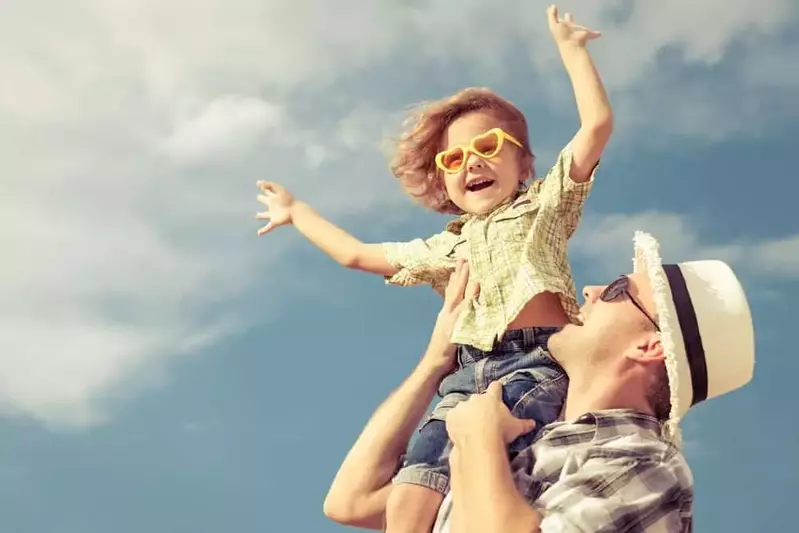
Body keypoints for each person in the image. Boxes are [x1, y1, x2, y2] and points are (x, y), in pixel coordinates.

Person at [256, 6, 612, 532]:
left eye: (489, 147)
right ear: (444, 182)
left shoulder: (543, 207)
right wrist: (297, 213)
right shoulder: (446, 248)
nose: (472, 163)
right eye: (454, 160)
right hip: (462, 378)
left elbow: (596, 126)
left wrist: (572, 51)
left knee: (489, 472)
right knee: (408, 501)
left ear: (525, 167)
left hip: (536, 363)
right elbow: (356, 254)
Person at [323, 231, 755, 532]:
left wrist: (477, 442)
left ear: (649, 346)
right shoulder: (527, 429)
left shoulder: (645, 464)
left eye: (618, 290)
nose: (590, 289)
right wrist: (434, 362)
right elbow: (350, 501)